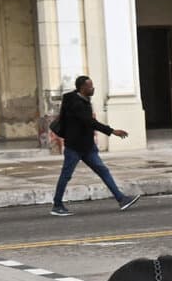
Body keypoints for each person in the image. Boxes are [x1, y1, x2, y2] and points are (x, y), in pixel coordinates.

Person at [48, 76, 141, 218]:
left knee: (103, 171)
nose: (93, 88)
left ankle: (121, 199)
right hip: (75, 147)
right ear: (82, 88)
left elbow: (89, 122)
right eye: (90, 86)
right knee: (66, 175)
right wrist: (112, 131)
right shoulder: (76, 104)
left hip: (87, 147)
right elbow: (90, 122)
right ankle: (57, 205)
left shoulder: (81, 100)